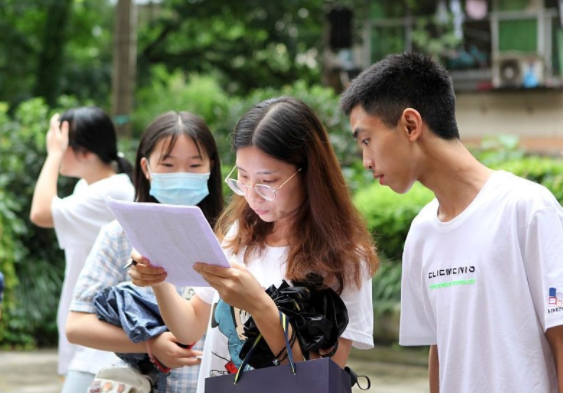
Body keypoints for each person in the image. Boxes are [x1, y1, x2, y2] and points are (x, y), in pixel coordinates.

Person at [340, 51, 563, 393]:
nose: (366, 161)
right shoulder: (422, 233)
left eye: (367, 140)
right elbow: (440, 351)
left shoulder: (527, 208)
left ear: (411, 125)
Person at [129, 96, 378, 393]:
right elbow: (190, 327)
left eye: (266, 181)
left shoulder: (346, 258)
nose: (251, 195)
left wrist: (260, 306)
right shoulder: (239, 234)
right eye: (242, 178)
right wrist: (159, 277)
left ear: (309, 173)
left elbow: (321, 379)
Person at [66, 111, 224, 393]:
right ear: (146, 168)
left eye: (194, 164)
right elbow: (77, 325)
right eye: (168, 164)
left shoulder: (232, 236)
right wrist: (150, 342)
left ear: (211, 166)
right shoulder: (120, 233)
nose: (181, 175)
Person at [29, 107, 135, 392]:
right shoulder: (87, 189)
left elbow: (40, 213)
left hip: (101, 336)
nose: (56, 150)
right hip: (88, 330)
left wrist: (52, 156)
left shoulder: (112, 194)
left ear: (85, 152)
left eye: (63, 146)